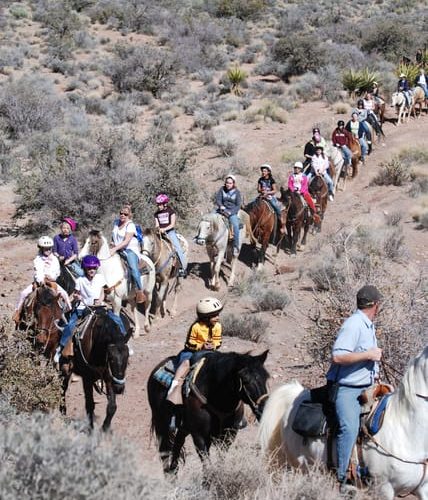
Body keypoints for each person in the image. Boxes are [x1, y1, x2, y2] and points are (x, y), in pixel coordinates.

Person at [326, 285, 383, 495]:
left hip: (367, 385)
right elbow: (338, 356)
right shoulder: (354, 324)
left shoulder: (367, 325)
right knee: (349, 427)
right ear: (376, 305)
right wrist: (368, 354)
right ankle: (344, 479)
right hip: (348, 388)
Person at [166, 297, 223, 428]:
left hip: (210, 351)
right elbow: (189, 343)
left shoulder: (218, 326)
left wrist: (213, 345)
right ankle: (174, 390)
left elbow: (218, 341)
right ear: (205, 316)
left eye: (218, 314)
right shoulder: (196, 327)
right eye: (214, 315)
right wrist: (201, 345)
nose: (217, 317)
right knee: (185, 365)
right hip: (191, 352)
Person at [54, 255, 106, 363]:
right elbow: (76, 294)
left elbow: (102, 292)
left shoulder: (100, 278)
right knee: (70, 325)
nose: (91, 270)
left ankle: (123, 343)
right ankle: (60, 348)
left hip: (98, 306)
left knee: (114, 319)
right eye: (89, 268)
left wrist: (100, 300)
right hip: (83, 307)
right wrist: (75, 298)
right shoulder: (80, 280)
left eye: (94, 268)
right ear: (84, 268)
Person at [13, 236, 71, 323]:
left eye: (49, 248)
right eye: (45, 249)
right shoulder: (38, 259)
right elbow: (38, 271)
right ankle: (18, 312)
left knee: (64, 294)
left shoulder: (54, 259)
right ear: (41, 248)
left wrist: (52, 277)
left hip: (52, 282)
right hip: (40, 282)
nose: (48, 250)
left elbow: (57, 271)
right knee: (23, 293)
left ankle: (66, 314)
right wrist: (41, 280)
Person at [110, 205, 146, 303]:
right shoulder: (116, 223)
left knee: (133, 269)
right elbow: (113, 236)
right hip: (117, 248)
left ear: (129, 215)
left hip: (129, 249)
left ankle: (139, 291)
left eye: (125, 214)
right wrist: (112, 243)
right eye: (121, 213)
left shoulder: (130, 225)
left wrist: (114, 249)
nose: (122, 215)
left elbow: (126, 241)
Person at [154, 194, 187, 277]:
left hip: (170, 232)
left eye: (160, 204)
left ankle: (183, 268)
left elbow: (172, 224)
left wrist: (164, 229)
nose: (158, 206)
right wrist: (158, 229)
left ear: (165, 204)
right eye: (157, 204)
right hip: (160, 232)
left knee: (177, 248)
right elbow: (157, 224)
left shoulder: (171, 212)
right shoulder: (156, 214)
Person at [215, 175, 242, 257]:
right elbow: (218, 199)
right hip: (221, 210)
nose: (228, 184)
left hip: (231, 211)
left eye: (230, 183)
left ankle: (236, 246)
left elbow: (238, 205)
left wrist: (231, 212)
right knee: (210, 218)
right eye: (227, 182)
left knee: (236, 226)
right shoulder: (222, 189)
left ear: (233, 183)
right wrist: (220, 206)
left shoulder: (237, 192)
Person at [257, 164, 285, 233]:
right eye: (262, 171)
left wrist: (267, 192)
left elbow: (275, 190)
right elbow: (258, 189)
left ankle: (281, 223)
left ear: (268, 172)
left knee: (276, 207)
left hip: (270, 196)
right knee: (253, 204)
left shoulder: (271, 180)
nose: (263, 172)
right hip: (262, 195)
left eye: (265, 171)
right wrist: (261, 191)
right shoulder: (260, 180)